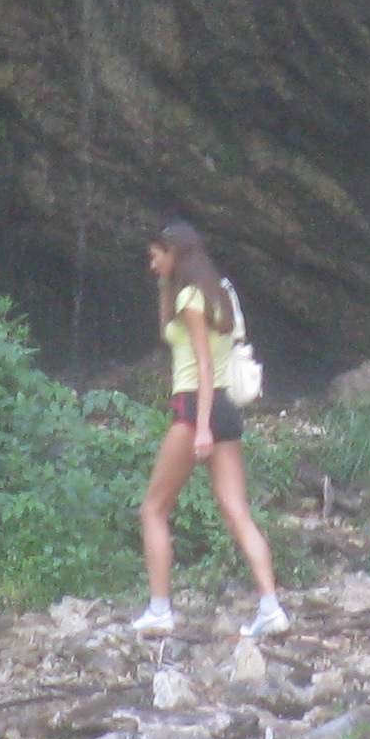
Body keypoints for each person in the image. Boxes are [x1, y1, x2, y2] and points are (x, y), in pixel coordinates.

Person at [133, 219, 289, 640]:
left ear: (173, 252)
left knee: (153, 509)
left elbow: (202, 364)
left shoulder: (190, 297)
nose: (152, 264)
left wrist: (200, 427)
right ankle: (271, 607)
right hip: (226, 409)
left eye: (156, 256)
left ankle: (159, 610)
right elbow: (173, 335)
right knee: (237, 511)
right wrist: (164, 286)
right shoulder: (217, 293)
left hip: (195, 407)